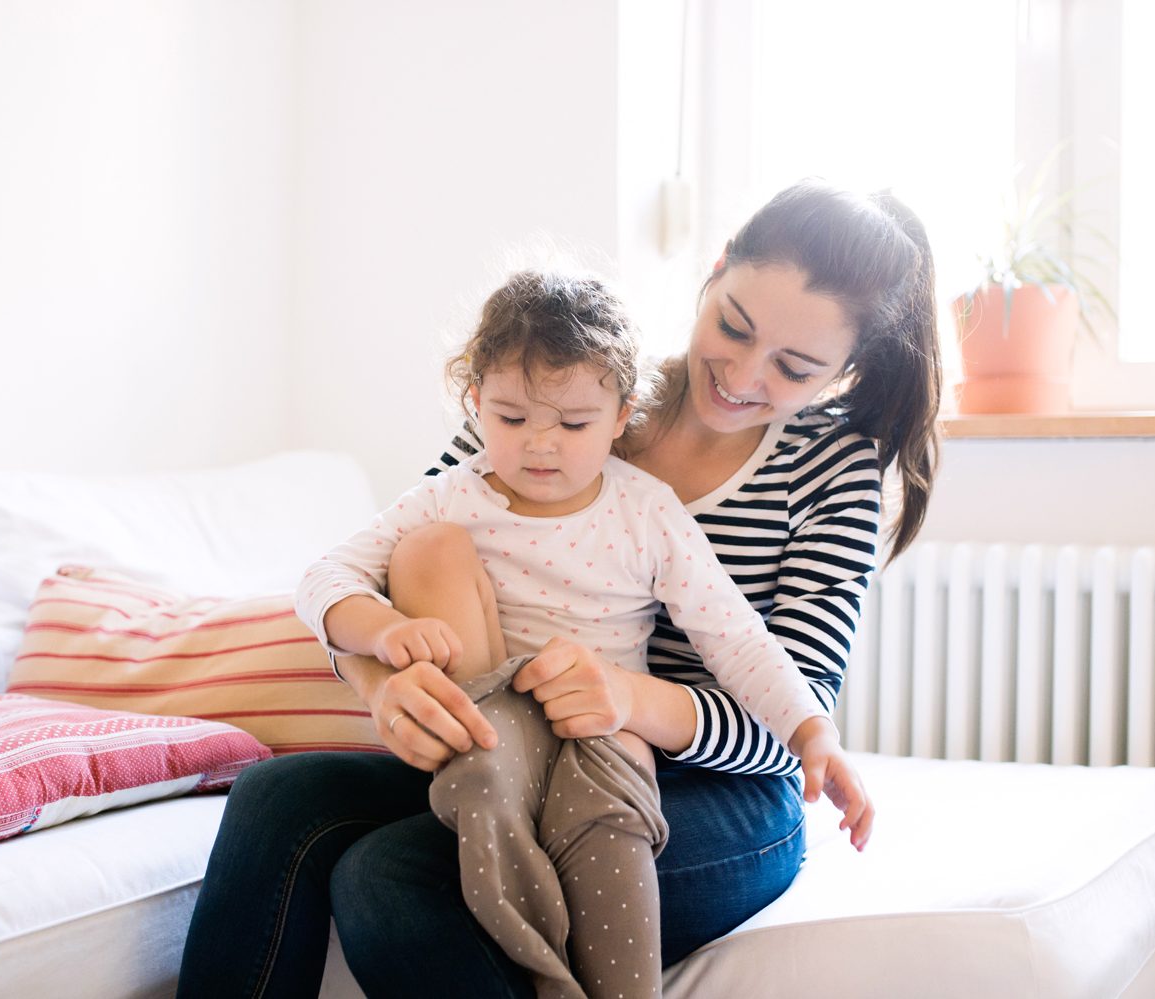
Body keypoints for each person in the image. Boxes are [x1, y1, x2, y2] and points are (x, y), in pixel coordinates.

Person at [176, 179, 940, 999]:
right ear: (715, 272)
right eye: (734, 325)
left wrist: (625, 697)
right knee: (274, 796)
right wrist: (382, 683)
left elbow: (789, 709)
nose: (742, 375)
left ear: (846, 367)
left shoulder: (834, 466)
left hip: (713, 787)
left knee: (389, 877)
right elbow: (385, 562)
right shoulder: (562, 386)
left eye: (794, 367)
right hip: (515, 736)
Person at [295, 268, 864, 999]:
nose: (540, 446)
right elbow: (324, 578)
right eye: (510, 418)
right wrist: (380, 636)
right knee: (403, 783)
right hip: (491, 729)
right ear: (475, 404)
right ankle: (543, 968)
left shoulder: (647, 510)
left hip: (603, 735)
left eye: (572, 424)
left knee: (605, 839)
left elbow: (739, 638)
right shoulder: (454, 492)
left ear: (622, 415)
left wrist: (813, 731)